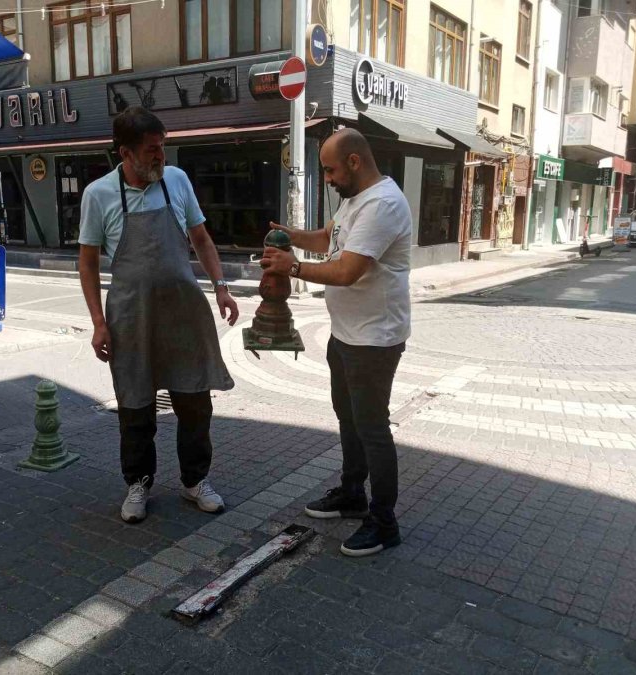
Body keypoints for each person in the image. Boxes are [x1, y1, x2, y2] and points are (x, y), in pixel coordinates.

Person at [78, 106, 239, 524]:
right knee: (136, 406)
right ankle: (138, 484)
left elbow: (201, 239)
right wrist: (98, 322)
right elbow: (88, 263)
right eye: (151, 150)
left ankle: (194, 481)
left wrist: (221, 287)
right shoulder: (99, 194)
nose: (159, 157)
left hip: (183, 312)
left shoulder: (177, 181)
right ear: (125, 152)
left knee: (194, 402)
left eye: (162, 148)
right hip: (131, 316)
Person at [260, 128, 411, 557]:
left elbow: (347, 270)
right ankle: (352, 493)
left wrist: (294, 269)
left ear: (354, 162)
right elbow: (330, 240)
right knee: (348, 419)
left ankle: (384, 523)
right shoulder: (354, 199)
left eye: (329, 169)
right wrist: (291, 236)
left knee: (373, 429)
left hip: (374, 340)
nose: (326, 178)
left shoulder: (383, 204)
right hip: (346, 334)